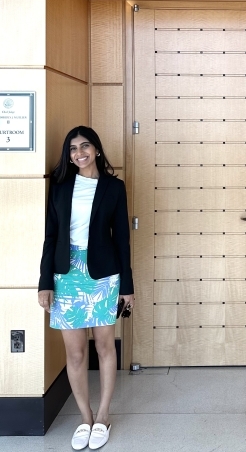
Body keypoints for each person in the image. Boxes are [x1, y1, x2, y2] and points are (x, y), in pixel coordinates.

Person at [38, 126, 135, 450]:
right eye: (72, 149)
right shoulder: (61, 188)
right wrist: (44, 283)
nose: (78, 153)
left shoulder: (113, 187)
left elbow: (122, 238)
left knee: (105, 348)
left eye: (85, 146)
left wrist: (127, 287)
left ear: (96, 149)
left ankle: (104, 415)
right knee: (75, 353)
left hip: (104, 275)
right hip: (66, 276)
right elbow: (50, 236)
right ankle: (85, 417)